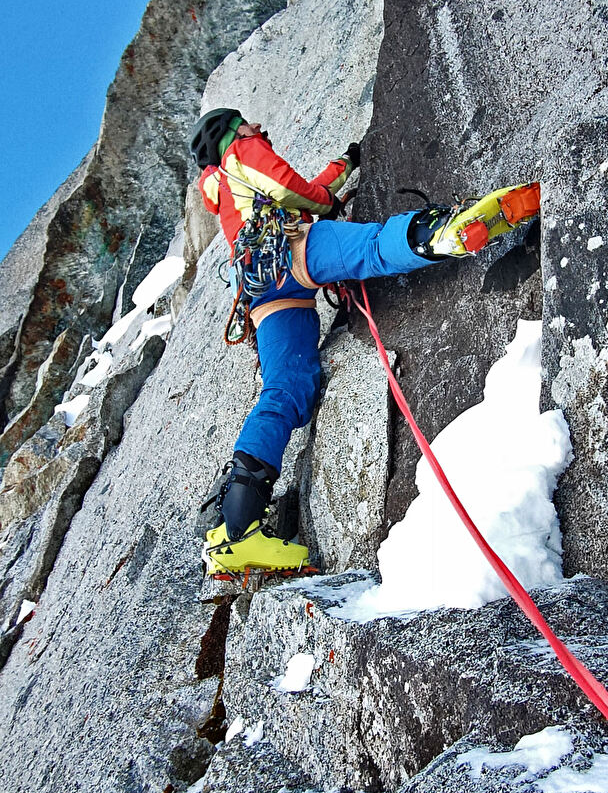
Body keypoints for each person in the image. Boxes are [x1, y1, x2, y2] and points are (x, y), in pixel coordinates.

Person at [190, 107, 540, 573]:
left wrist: (346, 163)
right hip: (293, 249)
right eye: (252, 125)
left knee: (283, 390)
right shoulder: (241, 149)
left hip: (262, 290)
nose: (261, 130)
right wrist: (326, 203)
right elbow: (292, 189)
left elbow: (297, 191)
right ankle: (443, 232)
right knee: (373, 248)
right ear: (233, 131)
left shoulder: (227, 195)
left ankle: (238, 531)